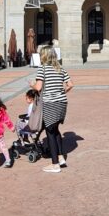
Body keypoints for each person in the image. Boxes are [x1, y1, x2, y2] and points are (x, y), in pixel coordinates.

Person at [33, 45, 73, 174]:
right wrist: (61, 91)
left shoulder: (43, 68)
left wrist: (32, 85)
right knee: (55, 130)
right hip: (62, 103)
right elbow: (70, 84)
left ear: (44, 56)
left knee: (50, 133)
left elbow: (38, 87)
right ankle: (61, 158)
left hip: (50, 103)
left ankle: (55, 164)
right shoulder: (60, 68)